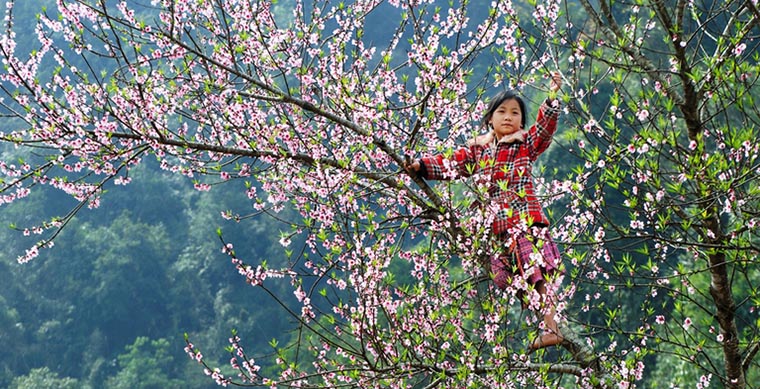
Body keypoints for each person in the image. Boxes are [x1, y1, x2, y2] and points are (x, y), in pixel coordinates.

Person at [405, 72, 564, 350]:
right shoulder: (478, 151)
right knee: (514, 280)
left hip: (525, 222)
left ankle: (552, 328)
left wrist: (551, 97)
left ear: (521, 122)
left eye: (515, 113)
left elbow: (544, 130)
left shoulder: (525, 145)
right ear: (489, 118)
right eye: (501, 111)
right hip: (498, 232)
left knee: (539, 275)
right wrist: (422, 165)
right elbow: (451, 164)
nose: (508, 117)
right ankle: (545, 325)